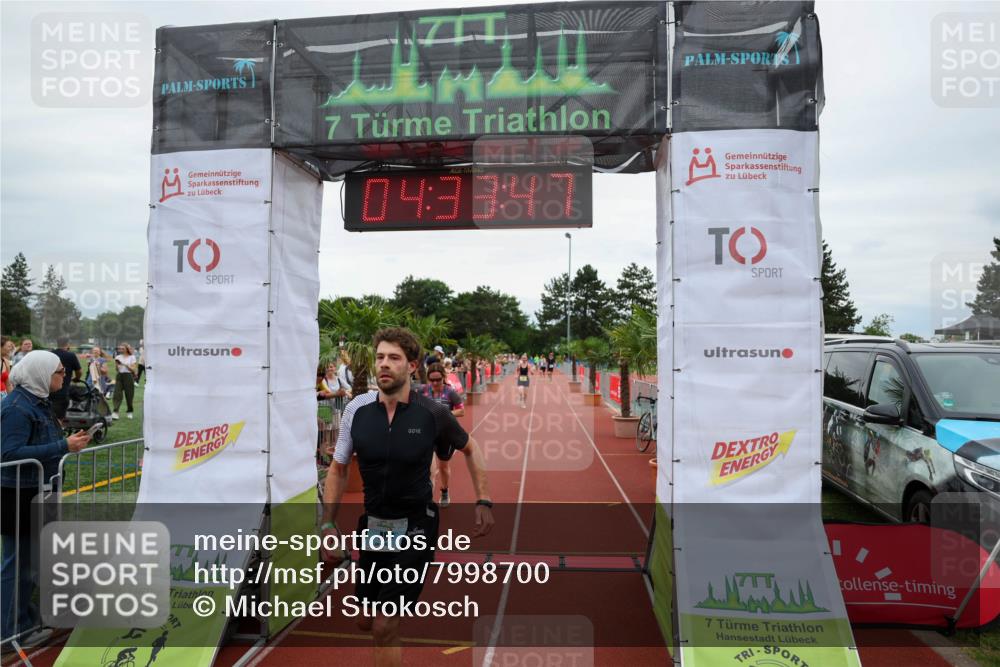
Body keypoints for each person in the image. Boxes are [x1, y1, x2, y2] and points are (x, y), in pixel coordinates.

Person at [320, 327, 493, 667]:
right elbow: (339, 469)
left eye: (394, 358)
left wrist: (483, 500)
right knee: (365, 620)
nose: (384, 364)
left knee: (385, 624)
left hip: (416, 526)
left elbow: (471, 449)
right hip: (373, 526)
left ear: (412, 366)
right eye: (380, 357)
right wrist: (327, 524)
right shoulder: (357, 408)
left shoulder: (432, 413)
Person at [1, 351, 91, 641]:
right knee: (18, 562)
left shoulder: (35, 401)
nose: (64, 377)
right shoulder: (18, 407)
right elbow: (8, 454)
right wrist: (63, 446)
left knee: (28, 561)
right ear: (41, 373)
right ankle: (10, 630)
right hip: (20, 494)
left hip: (36, 491)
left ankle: (24, 618)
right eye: (59, 372)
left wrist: (65, 441)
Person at [419, 362, 465, 509]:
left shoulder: (450, 392)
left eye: (438, 379)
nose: (435, 383)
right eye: (432, 380)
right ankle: (427, 501)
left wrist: (444, 414)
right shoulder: (422, 391)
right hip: (428, 435)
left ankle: (444, 491)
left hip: (446, 435)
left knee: (443, 467)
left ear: (443, 377)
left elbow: (461, 411)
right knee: (430, 469)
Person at [50, 337, 82, 424]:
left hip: (48, 390)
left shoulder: (50, 354)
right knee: (59, 417)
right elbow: (79, 371)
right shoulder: (71, 355)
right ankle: (58, 434)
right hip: (62, 391)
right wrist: (76, 379)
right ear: (68, 344)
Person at [111, 343, 137, 420]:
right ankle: (115, 412)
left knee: (129, 395)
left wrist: (124, 364)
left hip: (128, 376)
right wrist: (117, 365)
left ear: (126, 349)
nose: (120, 350)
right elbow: (117, 369)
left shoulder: (132, 357)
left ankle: (129, 412)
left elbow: (133, 369)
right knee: (117, 394)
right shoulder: (118, 357)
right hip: (119, 376)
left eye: (122, 348)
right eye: (120, 348)